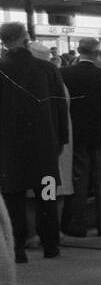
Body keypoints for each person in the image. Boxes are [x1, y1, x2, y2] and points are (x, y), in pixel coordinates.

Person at [1, 24, 68, 261]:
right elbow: (61, 109)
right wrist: (61, 141)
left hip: (9, 152)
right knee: (47, 197)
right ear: (25, 39)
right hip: (45, 148)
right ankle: (51, 246)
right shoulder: (48, 69)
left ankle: (18, 249)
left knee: (14, 199)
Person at [60, 38, 101, 238]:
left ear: (78, 50)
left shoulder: (65, 74)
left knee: (80, 180)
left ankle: (77, 225)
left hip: (77, 136)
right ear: (98, 54)